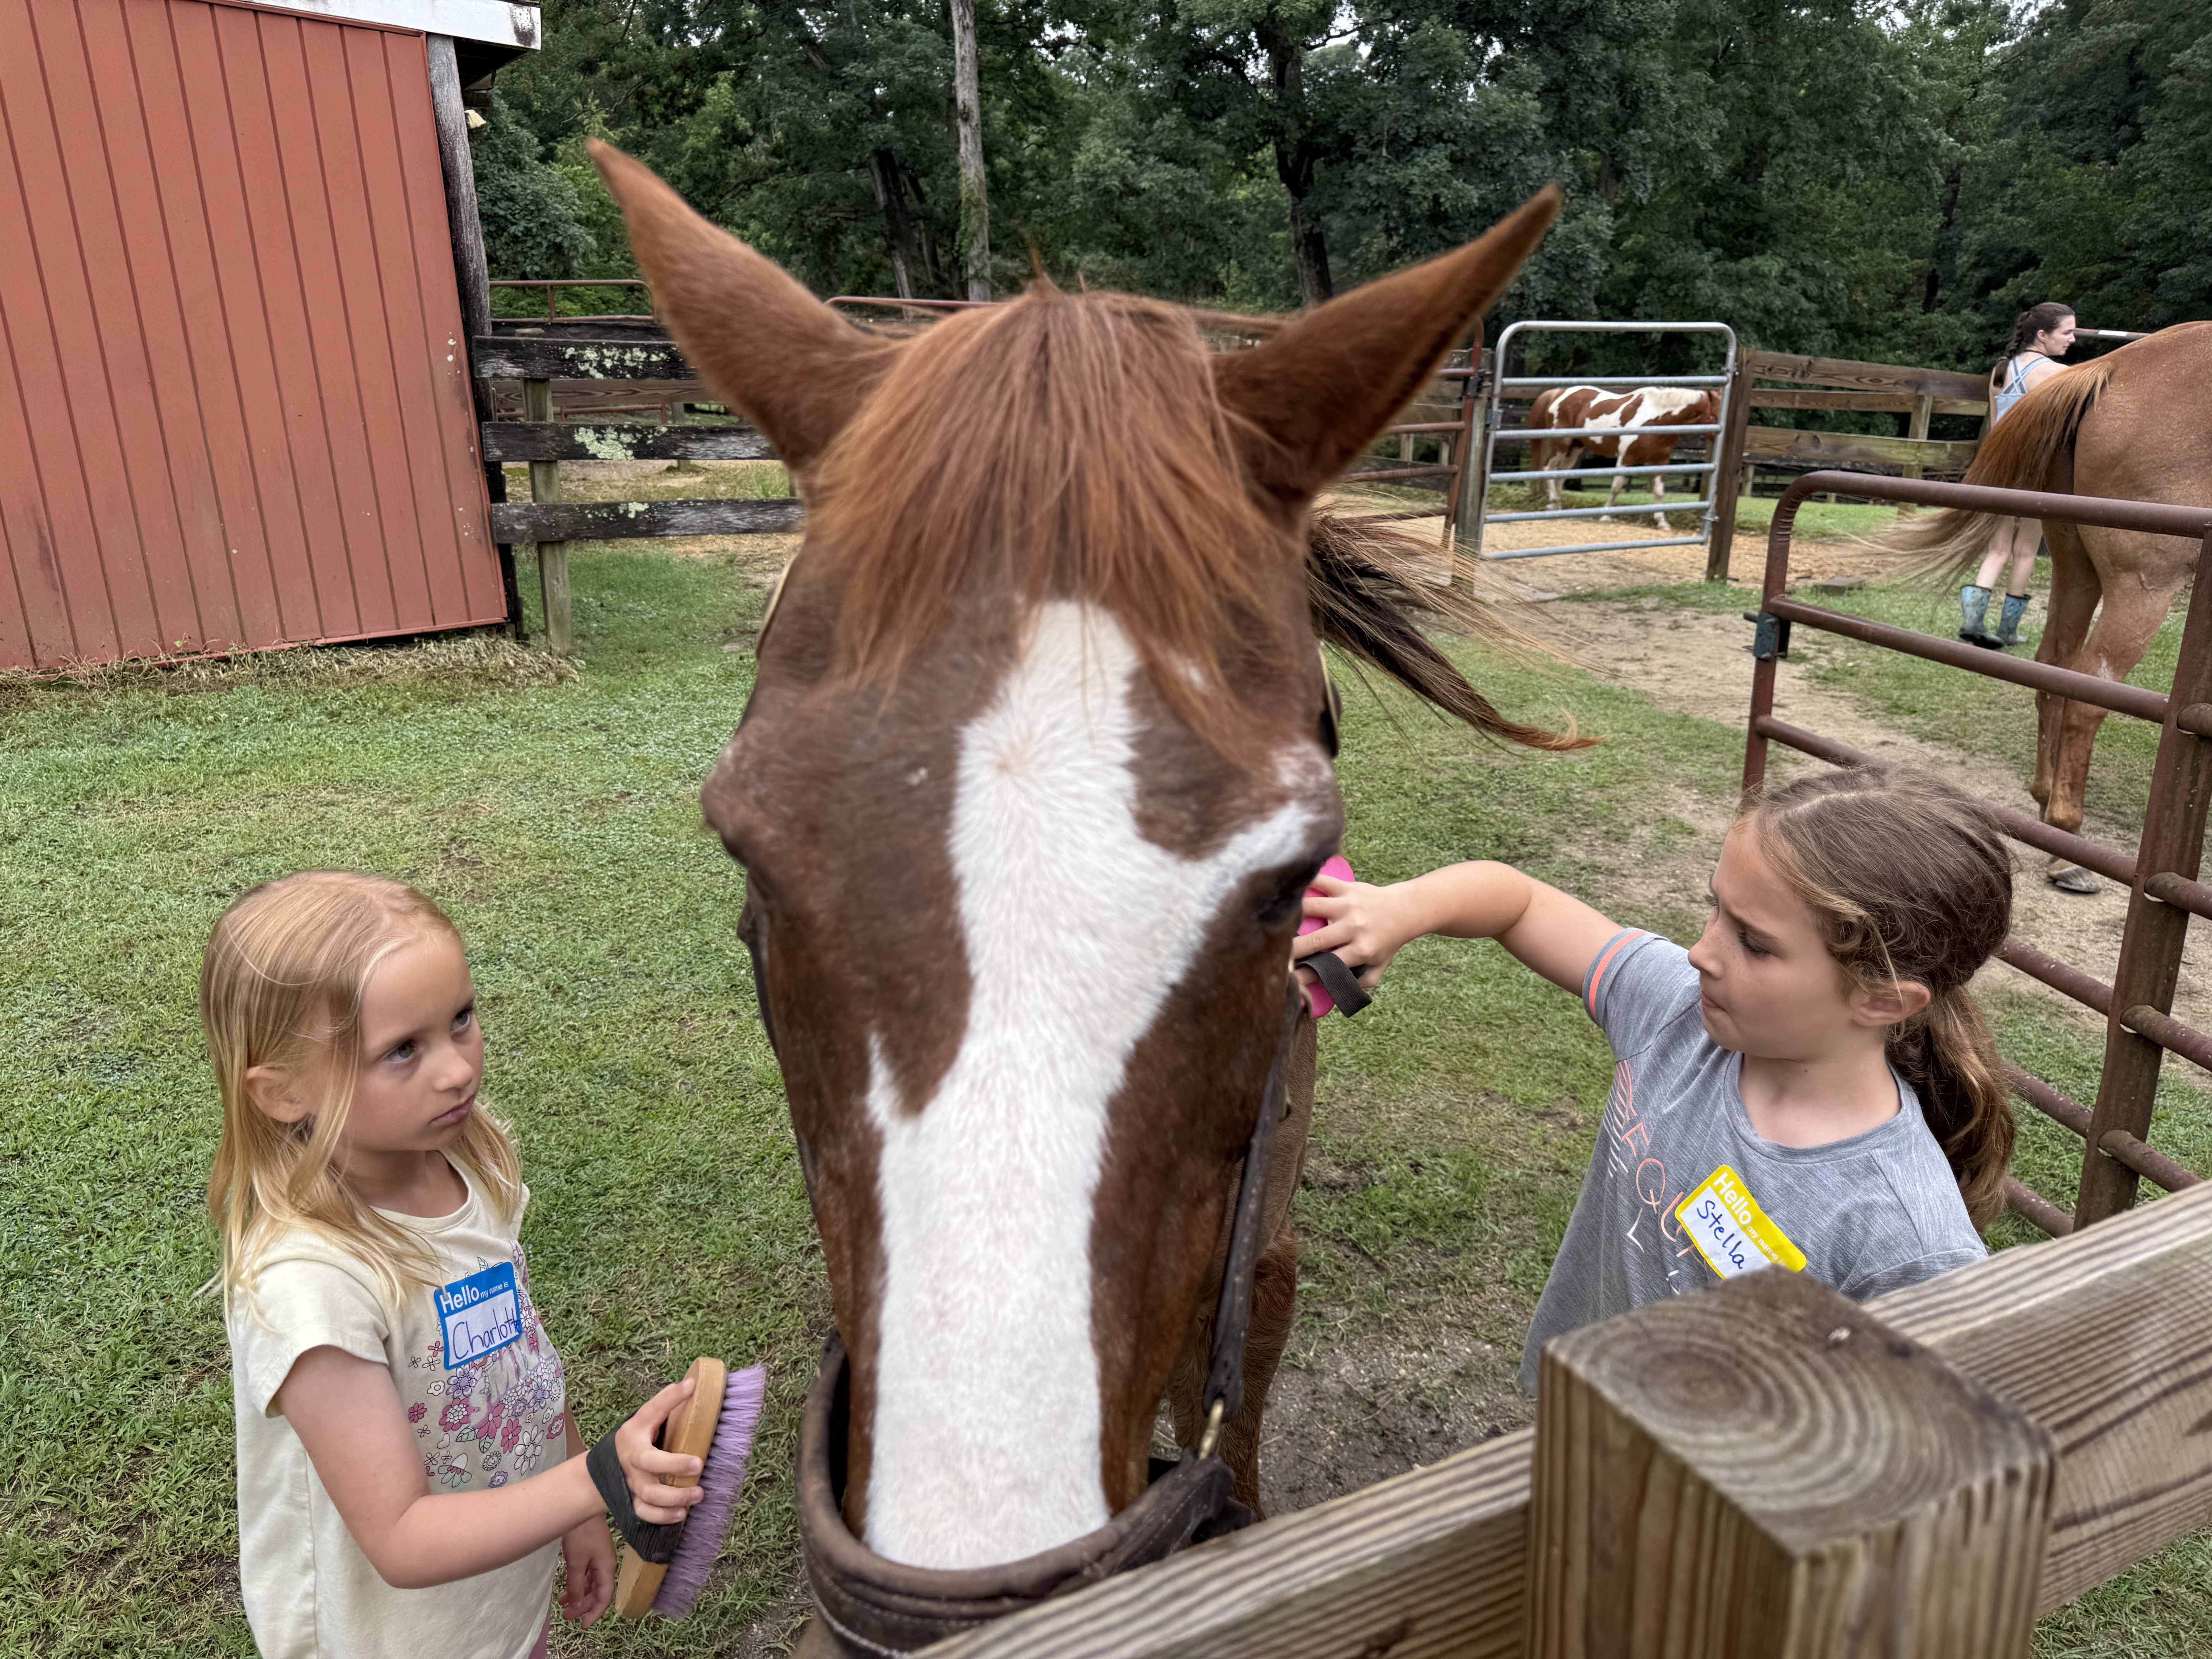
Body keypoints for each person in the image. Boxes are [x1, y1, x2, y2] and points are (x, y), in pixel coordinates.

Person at [1293, 765, 2012, 1392]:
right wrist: (1399, 909)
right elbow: (1519, 902)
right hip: (1578, 1415)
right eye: (1715, 909)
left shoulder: (1906, 1242)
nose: (1702, 950)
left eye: (1754, 942)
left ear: (1881, 998)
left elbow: (1909, 1462)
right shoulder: (1680, 1015)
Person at [204, 872, 710, 1659]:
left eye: (461, 1021)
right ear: (283, 1093)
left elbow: (521, 1359)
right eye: (402, 1051)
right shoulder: (312, 1286)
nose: (456, 1069)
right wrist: (596, 1480)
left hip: (496, 1605)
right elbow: (402, 1537)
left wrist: (573, 1502)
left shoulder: (469, 1170)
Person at [1961, 303, 2077, 649]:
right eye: (2066, 333)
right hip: (2035, 471)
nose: (2072, 339)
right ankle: (2009, 630)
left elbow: (1996, 427)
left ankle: (1973, 621)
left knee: (1998, 549)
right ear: (2043, 335)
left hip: (1999, 467)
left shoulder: (2000, 370)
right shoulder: (2057, 373)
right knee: (2026, 551)